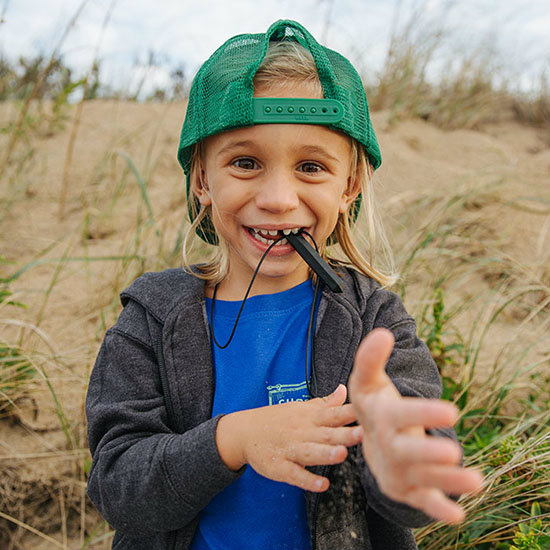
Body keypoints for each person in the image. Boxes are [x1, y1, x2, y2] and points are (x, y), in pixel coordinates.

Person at [86, 19, 483, 550]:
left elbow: (426, 489)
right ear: (202, 180)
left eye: (312, 167)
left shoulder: (375, 321)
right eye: (245, 163)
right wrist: (233, 440)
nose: (277, 197)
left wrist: (395, 452)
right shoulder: (150, 319)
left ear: (350, 186)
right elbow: (117, 486)